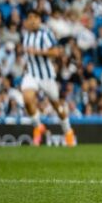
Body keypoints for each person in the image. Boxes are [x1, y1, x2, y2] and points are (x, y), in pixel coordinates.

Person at [20, 13, 76, 147]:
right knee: (27, 99)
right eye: (30, 18)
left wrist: (38, 52)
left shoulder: (46, 33)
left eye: (35, 18)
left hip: (46, 76)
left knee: (57, 106)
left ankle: (68, 131)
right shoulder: (26, 34)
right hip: (31, 74)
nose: (32, 21)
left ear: (39, 20)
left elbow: (56, 52)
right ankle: (38, 126)